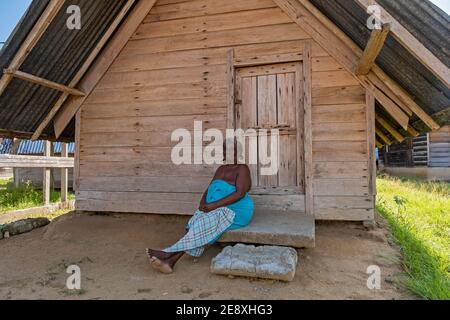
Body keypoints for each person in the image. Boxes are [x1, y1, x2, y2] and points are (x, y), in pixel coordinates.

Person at [146, 139, 254, 274]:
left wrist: (213, 205)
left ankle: (167, 253)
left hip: (236, 209)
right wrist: (202, 203)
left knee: (205, 222)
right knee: (196, 220)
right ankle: (170, 262)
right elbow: (209, 188)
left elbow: (240, 193)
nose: (229, 152)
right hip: (216, 207)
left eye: (233, 150)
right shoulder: (221, 169)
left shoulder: (242, 168)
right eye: (226, 149)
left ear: (238, 152)